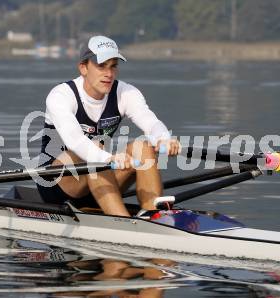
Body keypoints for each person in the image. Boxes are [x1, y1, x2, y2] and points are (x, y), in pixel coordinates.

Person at [37, 35, 180, 217]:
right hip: (56, 186)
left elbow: (151, 122)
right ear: (83, 68)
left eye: (113, 66)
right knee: (96, 146)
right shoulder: (61, 95)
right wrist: (108, 158)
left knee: (142, 147)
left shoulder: (126, 93)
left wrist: (164, 139)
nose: (109, 73)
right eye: (101, 65)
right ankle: (124, 224)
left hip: (100, 184)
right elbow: (76, 141)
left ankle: (155, 215)